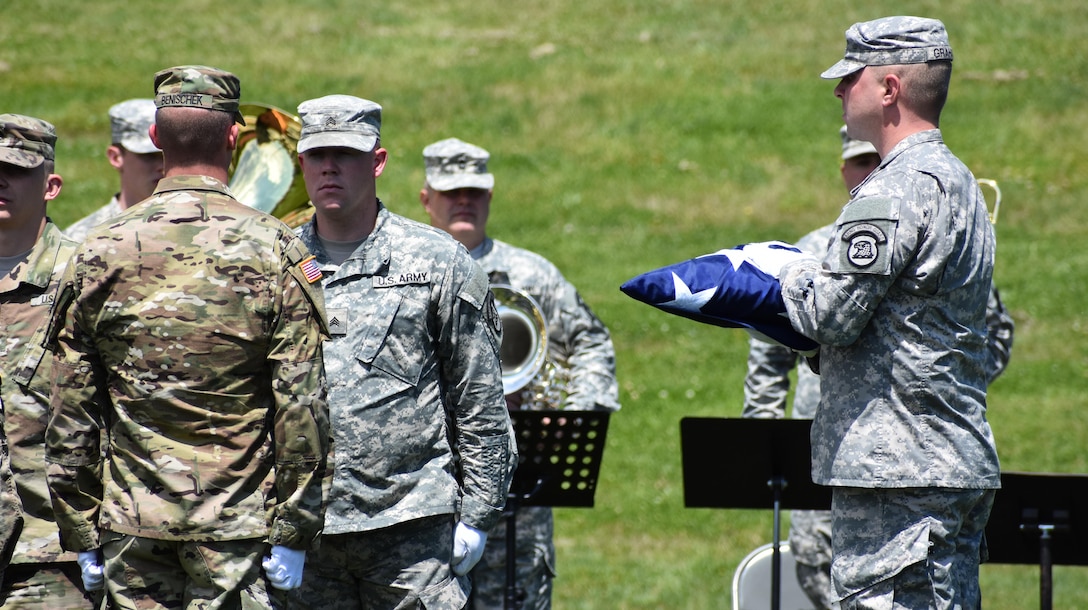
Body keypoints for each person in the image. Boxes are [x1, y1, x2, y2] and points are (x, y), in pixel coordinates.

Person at [44, 65, 332, 609]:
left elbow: (71, 407)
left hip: (132, 529)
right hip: (238, 532)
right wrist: (296, 529)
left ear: (155, 138)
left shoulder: (97, 251)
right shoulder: (278, 248)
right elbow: (303, 406)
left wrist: (80, 532)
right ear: (232, 137)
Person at [767, 17, 1002, 608]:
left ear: (890, 89)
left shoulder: (894, 190)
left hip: (900, 475)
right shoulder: (959, 181)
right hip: (939, 465)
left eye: (852, 77)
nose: (840, 91)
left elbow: (829, 314)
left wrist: (770, 270)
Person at [289, 96, 517, 610]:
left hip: (412, 532)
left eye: (345, 154)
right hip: (308, 532)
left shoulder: (438, 261)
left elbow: (478, 398)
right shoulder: (279, 262)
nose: (329, 166)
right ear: (301, 162)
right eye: (317, 154)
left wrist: (478, 514)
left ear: (377, 161)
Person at [419, 137, 621, 609]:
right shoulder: (409, 270)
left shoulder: (534, 273)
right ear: (427, 199)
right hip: (428, 491)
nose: (463, 200)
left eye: (474, 191)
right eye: (452, 192)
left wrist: (574, 415)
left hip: (520, 497)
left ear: (490, 196)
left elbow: (592, 340)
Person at [0, 113, 97, 607]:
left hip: (47, 554)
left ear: (51, 186)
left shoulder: (85, 279)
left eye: (15, 169)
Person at [64, 98, 163, 242]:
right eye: (149, 156)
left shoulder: (199, 229)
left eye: (169, 154)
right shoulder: (79, 241)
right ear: (116, 157)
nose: (162, 165)